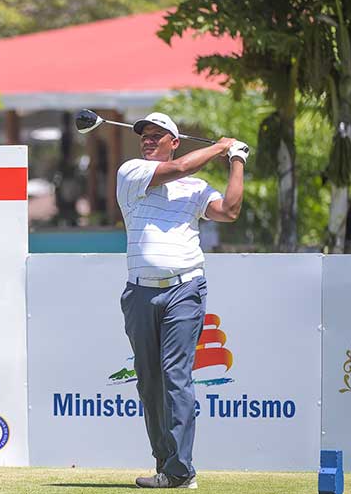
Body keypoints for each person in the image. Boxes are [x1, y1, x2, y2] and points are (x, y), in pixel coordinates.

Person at [116, 112, 248, 489]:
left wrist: (237, 160)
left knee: (175, 376)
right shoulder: (131, 172)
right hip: (140, 291)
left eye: (157, 136)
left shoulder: (196, 188)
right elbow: (177, 168)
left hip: (184, 289)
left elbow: (229, 211)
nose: (147, 140)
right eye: (144, 135)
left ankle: (180, 470)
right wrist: (220, 147)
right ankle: (165, 464)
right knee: (149, 382)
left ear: (175, 142)